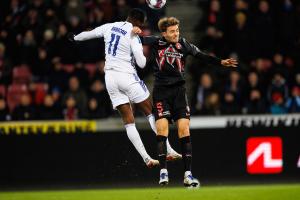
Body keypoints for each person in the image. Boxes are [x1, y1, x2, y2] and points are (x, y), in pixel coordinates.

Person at [67, 9, 181, 168]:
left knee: (129, 121)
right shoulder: (133, 34)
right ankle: (168, 150)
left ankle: (146, 158)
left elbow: (89, 34)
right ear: (139, 23)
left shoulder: (110, 26)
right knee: (151, 112)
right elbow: (141, 63)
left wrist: (74, 37)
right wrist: (138, 43)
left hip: (110, 78)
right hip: (126, 75)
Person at [136, 17, 238, 187]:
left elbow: (201, 55)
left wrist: (220, 62)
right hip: (161, 93)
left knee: (184, 130)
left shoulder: (184, 44)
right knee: (162, 130)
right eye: (172, 31)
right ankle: (163, 172)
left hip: (179, 93)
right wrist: (133, 30)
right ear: (164, 33)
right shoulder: (155, 42)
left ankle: (188, 174)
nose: (176, 34)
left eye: (177, 30)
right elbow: (137, 39)